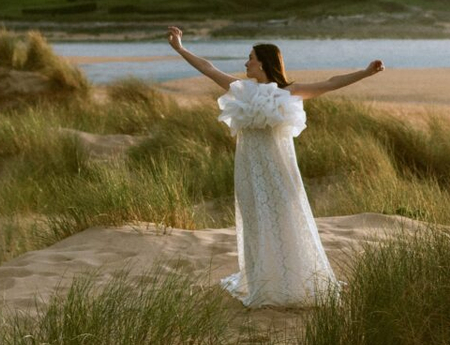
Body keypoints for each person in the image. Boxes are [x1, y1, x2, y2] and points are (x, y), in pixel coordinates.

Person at [165, 29, 385, 307]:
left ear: (264, 63)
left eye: (250, 58)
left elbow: (330, 83)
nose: (246, 64)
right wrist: (180, 48)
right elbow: (207, 68)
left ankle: (291, 281)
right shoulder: (240, 89)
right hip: (248, 169)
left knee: (285, 219)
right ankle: (262, 281)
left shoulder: (289, 92)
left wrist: (365, 72)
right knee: (255, 220)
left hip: (280, 169)